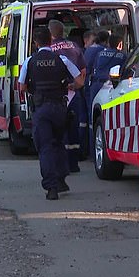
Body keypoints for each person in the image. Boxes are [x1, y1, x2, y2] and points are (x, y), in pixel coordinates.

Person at [19, 27, 83, 200]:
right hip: (60, 108)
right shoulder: (62, 59)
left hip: (41, 109)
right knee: (59, 143)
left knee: (46, 147)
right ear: (50, 41)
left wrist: (34, 89)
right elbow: (80, 80)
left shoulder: (30, 61)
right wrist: (70, 86)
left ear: (36, 43)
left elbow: (22, 87)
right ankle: (61, 180)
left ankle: (52, 188)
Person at [49, 19, 86, 172]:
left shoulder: (50, 49)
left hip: (58, 94)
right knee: (73, 128)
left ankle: (61, 164)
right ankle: (73, 163)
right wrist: (76, 86)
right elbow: (83, 71)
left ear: (51, 34)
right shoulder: (75, 46)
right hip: (74, 93)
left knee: (58, 129)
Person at [83, 29, 109, 150]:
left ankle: (90, 148)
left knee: (90, 116)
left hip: (90, 84)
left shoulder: (89, 51)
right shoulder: (103, 51)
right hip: (103, 85)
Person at [89, 33, 127, 111]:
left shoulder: (100, 54)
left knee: (94, 111)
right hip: (111, 85)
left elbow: (95, 68)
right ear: (119, 43)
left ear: (109, 43)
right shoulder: (122, 56)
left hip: (97, 84)